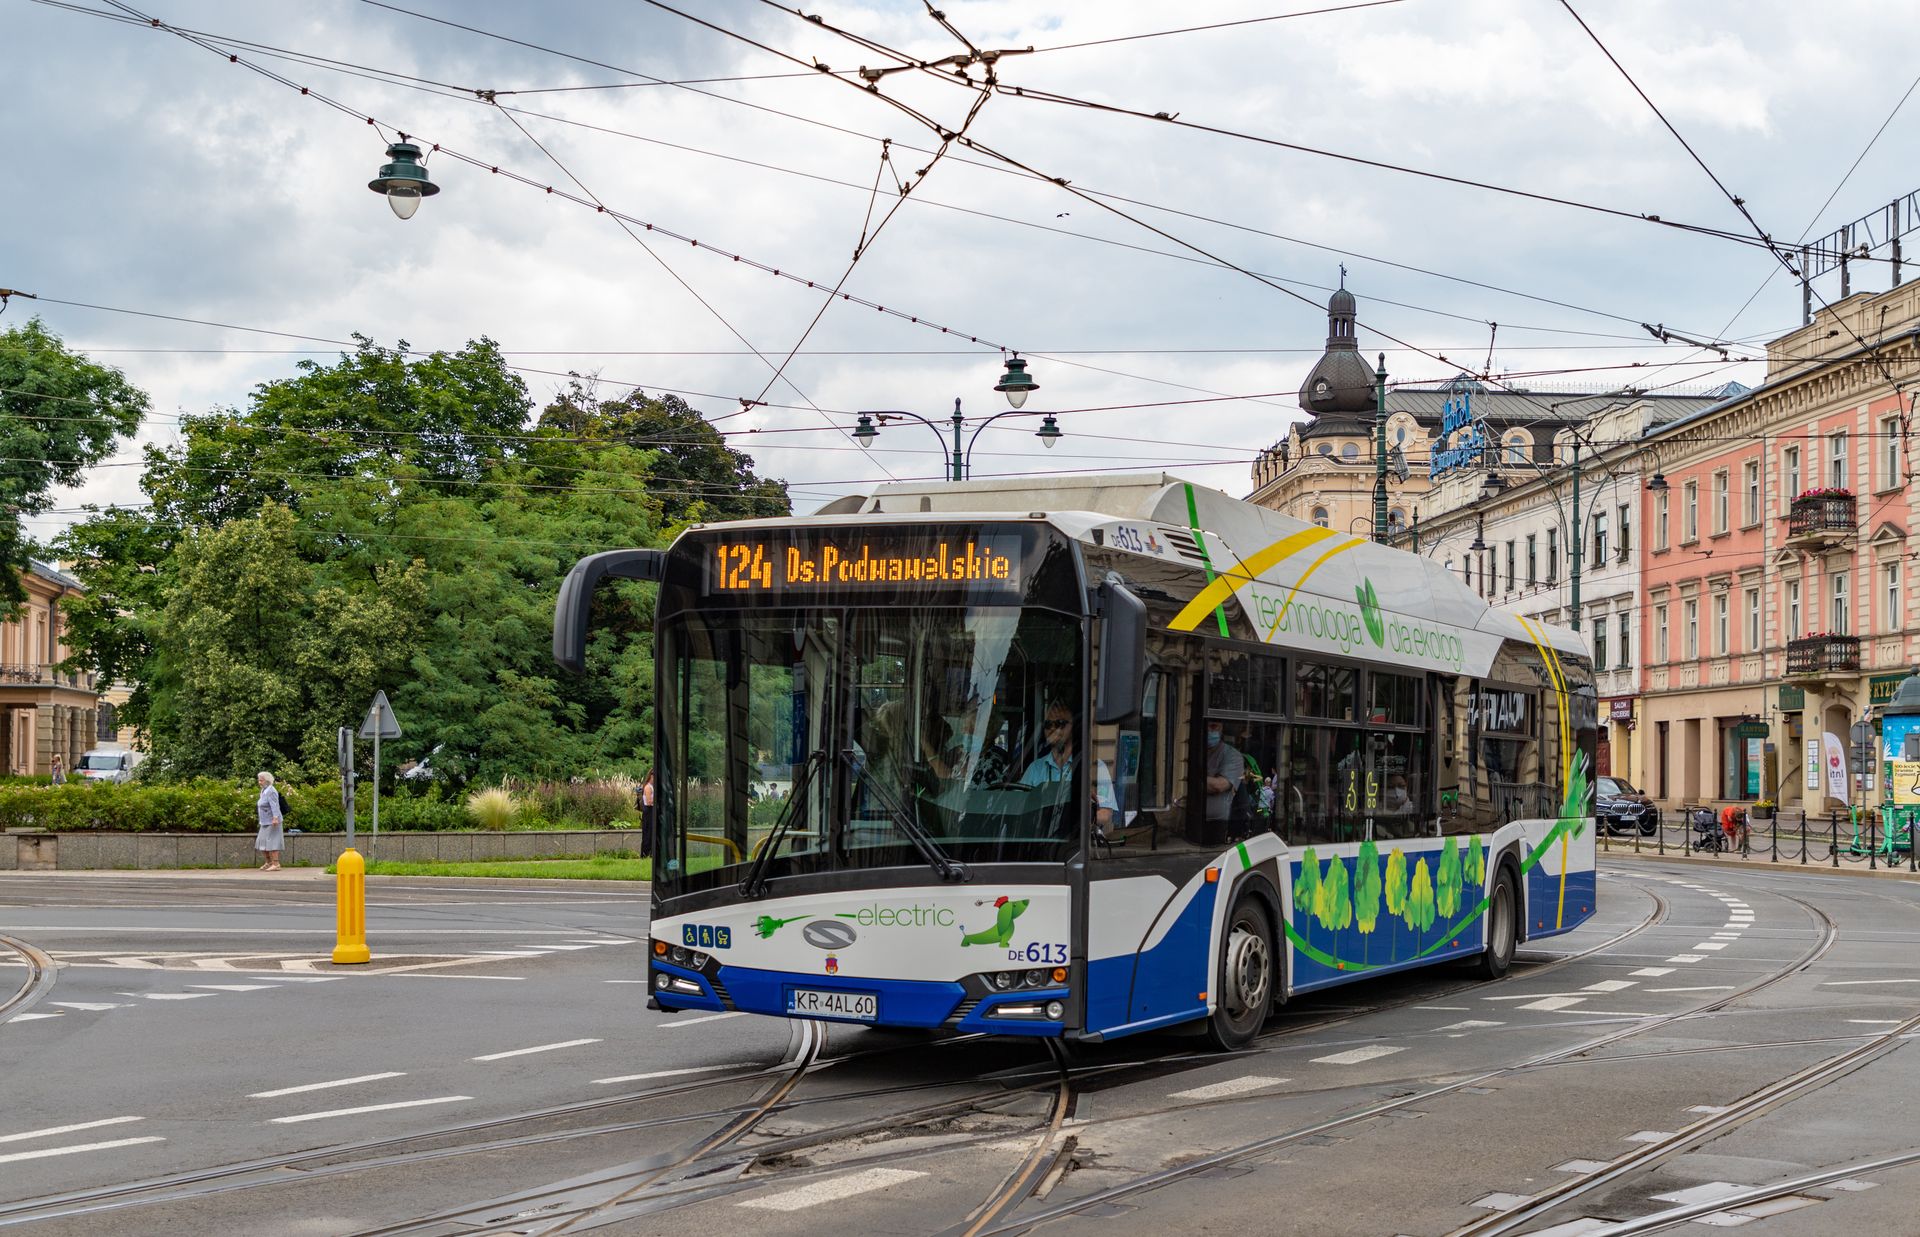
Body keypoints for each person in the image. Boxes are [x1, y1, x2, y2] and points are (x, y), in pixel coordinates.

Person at [1019, 702, 1116, 831]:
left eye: (1060, 723)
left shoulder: (1096, 767)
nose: (1053, 728)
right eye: (1048, 724)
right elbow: (1019, 806)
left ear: (1074, 727)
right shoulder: (1035, 768)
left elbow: (1105, 813)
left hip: (1074, 843)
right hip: (1039, 844)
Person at [1201, 721, 1245, 826]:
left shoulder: (1232, 755)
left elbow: (1219, 786)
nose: (1209, 731)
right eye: (1204, 726)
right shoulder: (1194, 749)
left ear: (1221, 729)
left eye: (1213, 726)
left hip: (1216, 824)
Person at [255, 771, 284, 871]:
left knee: (272, 842)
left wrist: (275, 818)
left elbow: (275, 805)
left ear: (267, 781)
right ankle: (269, 862)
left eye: (261, 780)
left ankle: (276, 864)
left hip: (272, 821)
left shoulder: (271, 791)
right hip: (264, 821)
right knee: (261, 842)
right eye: (259, 780)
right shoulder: (264, 790)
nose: (259, 782)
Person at [639, 770, 656, 858]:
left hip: (652, 812)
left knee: (652, 833)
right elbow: (649, 802)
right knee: (647, 833)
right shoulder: (648, 787)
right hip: (648, 812)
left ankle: (651, 853)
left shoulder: (652, 787)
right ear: (651, 776)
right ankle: (645, 853)